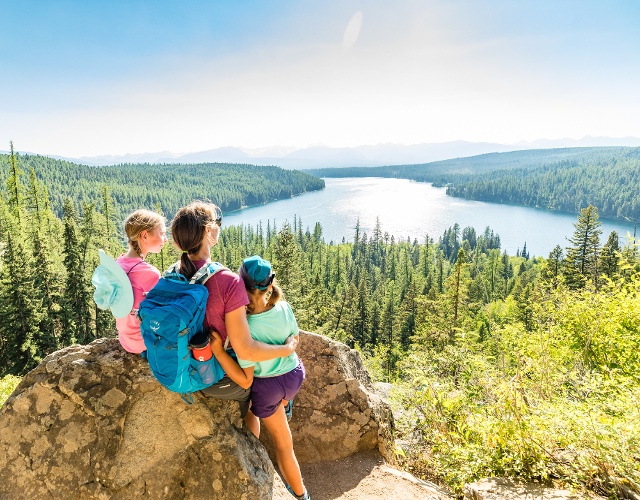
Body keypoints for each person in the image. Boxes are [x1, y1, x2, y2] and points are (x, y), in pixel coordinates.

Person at [169, 201, 298, 432]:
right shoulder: (228, 281)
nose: (219, 227)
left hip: (187, 367)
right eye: (217, 222)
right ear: (208, 231)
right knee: (263, 381)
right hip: (216, 377)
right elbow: (246, 350)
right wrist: (286, 350)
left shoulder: (173, 273)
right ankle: (256, 444)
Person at [210, 255, 309, 500]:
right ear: (269, 284)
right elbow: (295, 339)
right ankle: (284, 405)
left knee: (284, 444)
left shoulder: (245, 326)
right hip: (295, 375)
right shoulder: (284, 307)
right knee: (272, 405)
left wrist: (220, 353)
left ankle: (301, 494)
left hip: (268, 387)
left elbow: (246, 377)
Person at [115, 209, 168, 354]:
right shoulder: (149, 273)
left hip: (125, 339)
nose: (166, 239)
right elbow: (158, 314)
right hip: (143, 343)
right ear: (144, 235)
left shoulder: (117, 263)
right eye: (162, 233)